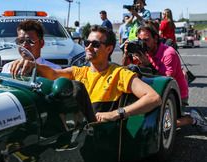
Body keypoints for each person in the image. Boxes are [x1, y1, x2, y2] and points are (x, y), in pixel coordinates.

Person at [9, 25, 161, 123]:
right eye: (86, 43)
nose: (88, 47)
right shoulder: (79, 71)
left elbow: (153, 98)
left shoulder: (119, 73)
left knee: (76, 87)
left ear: (109, 49)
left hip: (97, 134)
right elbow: (54, 73)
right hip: (76, 129)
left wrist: (116, 113)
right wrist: (33, 65)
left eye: (95, 45)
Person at [122, 22, 207, 131]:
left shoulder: (168, 53)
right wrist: (126, 54)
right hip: (154, 91)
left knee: (158, 126)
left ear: (155, 39)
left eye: (146, 40)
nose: (143, 43)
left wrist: (147, 64)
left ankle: (191, 119)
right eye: (140, 40)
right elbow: (124, 71)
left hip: (175, 95)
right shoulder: (144, 51)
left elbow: (166, 82)